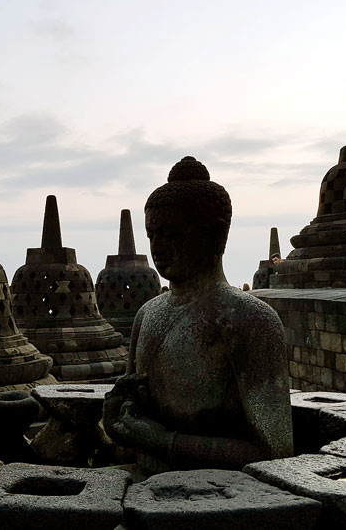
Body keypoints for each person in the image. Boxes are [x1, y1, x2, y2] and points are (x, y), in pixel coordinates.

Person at [103, 156, 293, 477]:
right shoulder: (147, 315)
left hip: (219, 504)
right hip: (143, 495)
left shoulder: (249, 320)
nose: (157, 247)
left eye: (171, 234)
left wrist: (167, 442)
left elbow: (274, 451)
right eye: (152, 234)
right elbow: (134, 425)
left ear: (214, 236)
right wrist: (116, 418)